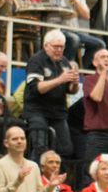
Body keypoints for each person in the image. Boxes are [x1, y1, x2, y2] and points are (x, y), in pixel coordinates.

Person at [22, 30, 80, 162]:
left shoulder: (64, 62)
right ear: (46, 46)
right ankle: (35, 173)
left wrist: (75, 84)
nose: (59, 50)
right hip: (37, 111)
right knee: (40, 148)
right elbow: (36, 88)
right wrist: (60, 79)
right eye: (56, 47)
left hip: (58, 112)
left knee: (66, 149)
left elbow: (71, 91)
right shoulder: (36, 60)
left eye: (62, 47)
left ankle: (58, 174)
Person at [51, 0, 105, 68]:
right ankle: (65, 68)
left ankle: (81, 69)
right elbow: (56, 15)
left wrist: (76, 2)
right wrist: (72, 13)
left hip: (75, 30)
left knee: (100, 44)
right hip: (61, 30)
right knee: (74, 39)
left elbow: (87, 15)